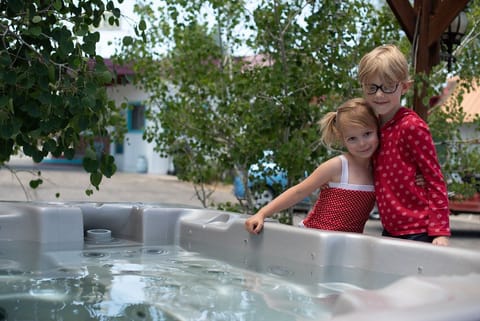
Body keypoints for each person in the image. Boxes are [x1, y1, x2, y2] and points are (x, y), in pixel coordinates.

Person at [358, 44, 450, 246]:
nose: (379, 95)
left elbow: (434, 179)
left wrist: (439, 232)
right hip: (390, 229)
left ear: (404, 86)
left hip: (418, 229)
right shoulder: (372, 127)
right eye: (372, 87)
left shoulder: (412, 126)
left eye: (388, 86)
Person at [245, 98, 379, 234]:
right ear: (342, 139)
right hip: (314, 237)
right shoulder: (338, 166)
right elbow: (299, 191)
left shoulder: (379, 169)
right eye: (352, 138)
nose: (362, 143)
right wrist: (262, 213)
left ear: (377, 128)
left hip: (348, 244)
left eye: (367, 134)